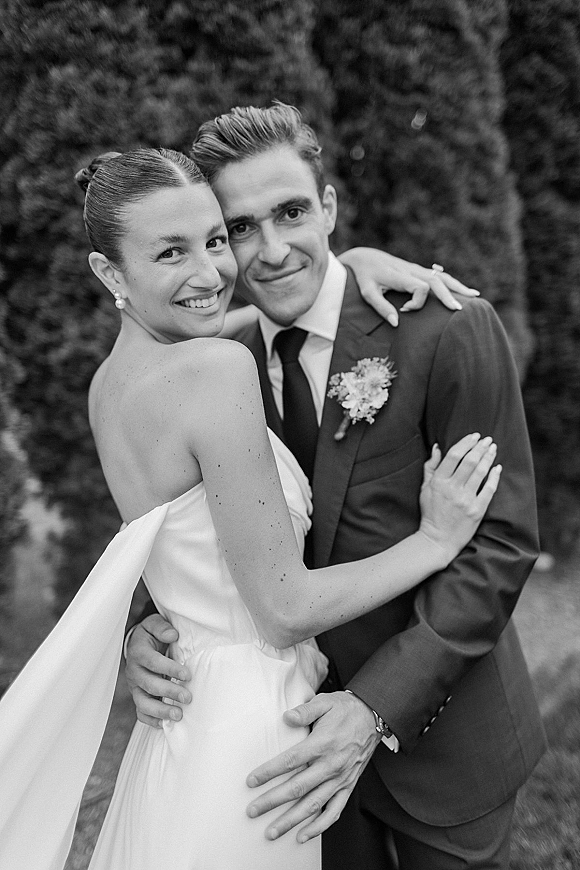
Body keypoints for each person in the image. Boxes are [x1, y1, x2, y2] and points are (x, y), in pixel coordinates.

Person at [0, 147, 499, 870]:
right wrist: (434, 539)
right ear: (110, 273)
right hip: (256, 728)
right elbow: (283, 608)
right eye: (171, 252)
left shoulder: (110, 386)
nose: (210, 273)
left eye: (213, 240)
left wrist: (348, 261)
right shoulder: (216, 368)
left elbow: (181, 555)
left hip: (184, 726)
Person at [127, 104, 547, 869]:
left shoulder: (446, 330)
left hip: (445, 743)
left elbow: (500, 545)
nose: (272, 249)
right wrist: (147, 628)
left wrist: (373, 706)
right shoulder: (221, 361)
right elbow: (197, 519)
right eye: (240, 227)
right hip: (291, 750)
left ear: (328, 208)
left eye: (291, 212)